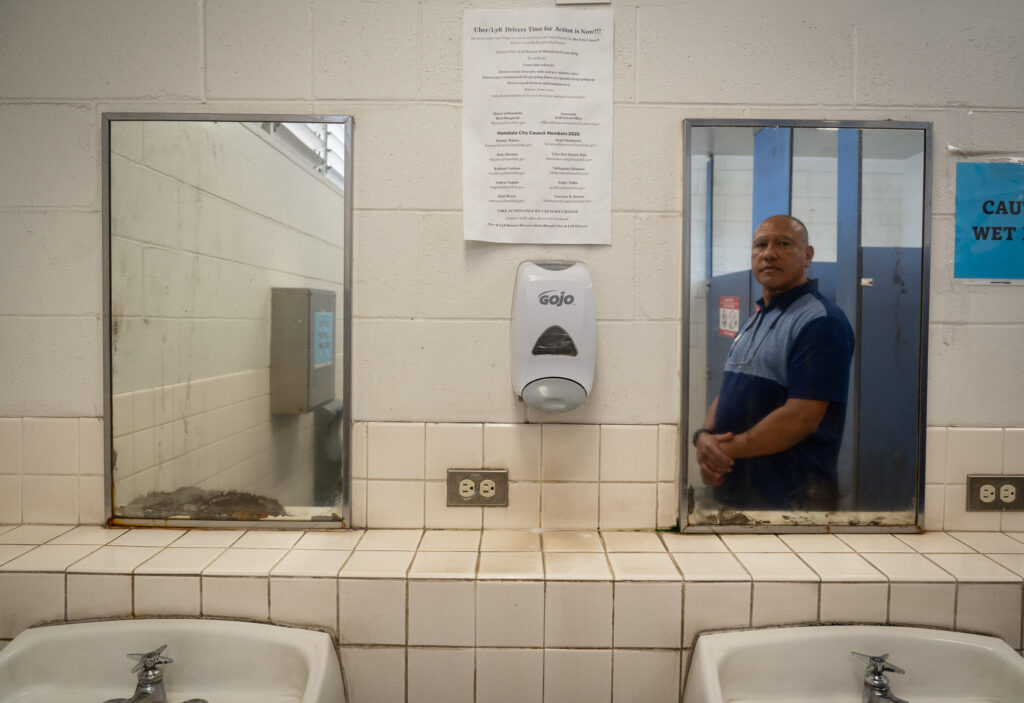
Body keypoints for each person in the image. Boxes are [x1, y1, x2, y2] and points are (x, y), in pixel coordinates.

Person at [694, 214, 855, 511]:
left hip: (791, 502)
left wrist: (720, 451)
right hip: (740, 494)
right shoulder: (755, 319)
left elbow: (800, 418)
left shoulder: (821, 322)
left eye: (783, 243)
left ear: (808, 256)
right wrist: (704, 437)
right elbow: (728, 390)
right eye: (760, 245)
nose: (769, 253)